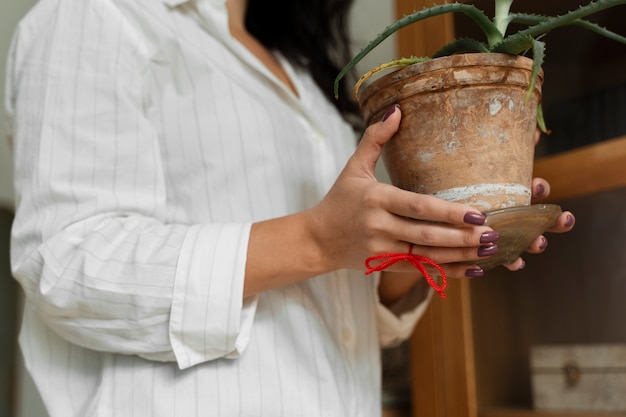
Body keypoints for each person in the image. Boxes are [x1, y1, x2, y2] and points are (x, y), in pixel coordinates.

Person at [5, 0, 575, 416]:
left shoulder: (302, 71)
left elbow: (335, 307)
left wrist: (400, 257)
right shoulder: (95, 16)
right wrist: (318, 242)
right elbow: (66, 263)